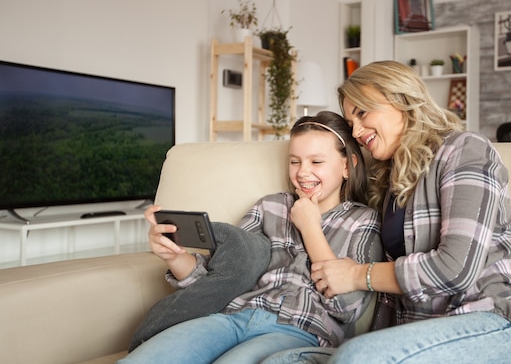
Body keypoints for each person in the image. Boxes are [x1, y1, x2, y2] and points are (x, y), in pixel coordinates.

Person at [263, 61, 511, 364]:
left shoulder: (464, 150)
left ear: (402, 100)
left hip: (496, 323)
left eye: (362, 113)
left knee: (357, 358)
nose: (357, 130)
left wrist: (355, 274)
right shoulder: (387, 184)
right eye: (351, 122)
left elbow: (455, 269)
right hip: (421, 334)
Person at [118, 111, 383, 364]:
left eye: (316, 162)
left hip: (298, 330)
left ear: (347, 165)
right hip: (232, 317)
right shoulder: (270, 207)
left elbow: (346, 307)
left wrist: (310, 227)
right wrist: (175, 256)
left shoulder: (363, 221)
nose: (302, 172)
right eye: (294, 161)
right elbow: (219, 280)